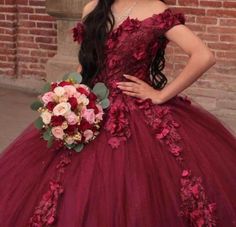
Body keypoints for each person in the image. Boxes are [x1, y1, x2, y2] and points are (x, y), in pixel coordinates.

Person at [0, 0, 236, 226]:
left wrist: (161, 94)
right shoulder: (93, 8)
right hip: (91, 108)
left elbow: (204, 55)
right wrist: (70, 96)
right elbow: (85, 64)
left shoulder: (155, 8)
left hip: (135, 114)